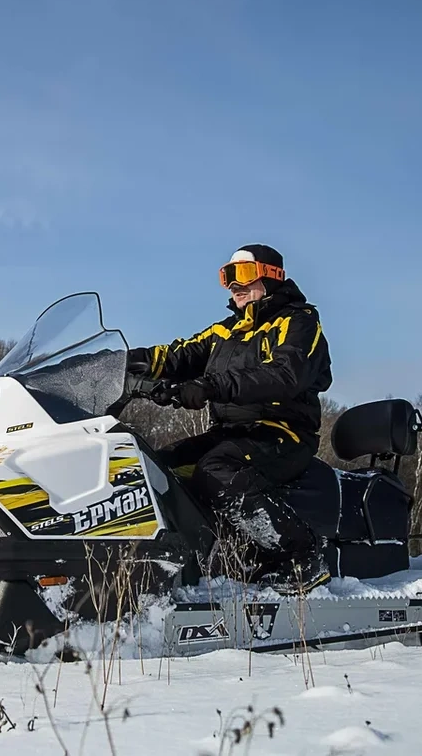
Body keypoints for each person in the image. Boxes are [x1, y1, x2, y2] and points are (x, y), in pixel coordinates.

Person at [127, 244, 332, 594]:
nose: (235, 285)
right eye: (228, 276)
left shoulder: (299, 322)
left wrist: (209, 386)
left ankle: (302, 556)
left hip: (282, 432)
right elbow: (179, 354)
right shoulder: (227, 331)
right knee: (154, 465)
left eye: (244, 274)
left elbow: (285, 375)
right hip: (231, 432)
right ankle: (179, 560)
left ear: (272, 277)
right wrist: (124, 362)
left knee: (216, 469)